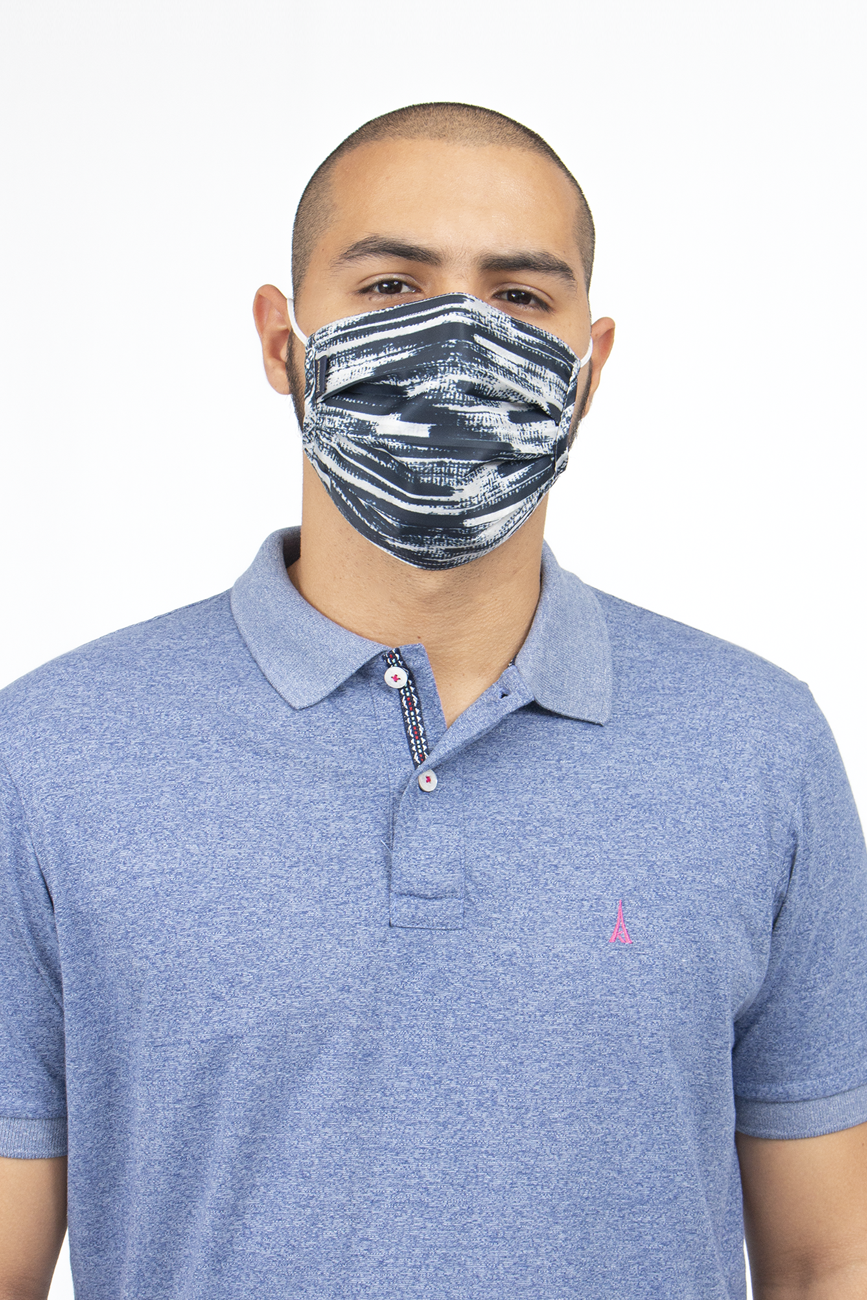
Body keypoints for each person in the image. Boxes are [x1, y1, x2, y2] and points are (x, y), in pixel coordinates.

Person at [0, 102, 865, 1300]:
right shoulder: (52, 754)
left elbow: (831, 1258)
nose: (460, 338)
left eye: (520, 296)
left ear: (590, 368)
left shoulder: (758, 747)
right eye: (392, 286)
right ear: (283, 342)